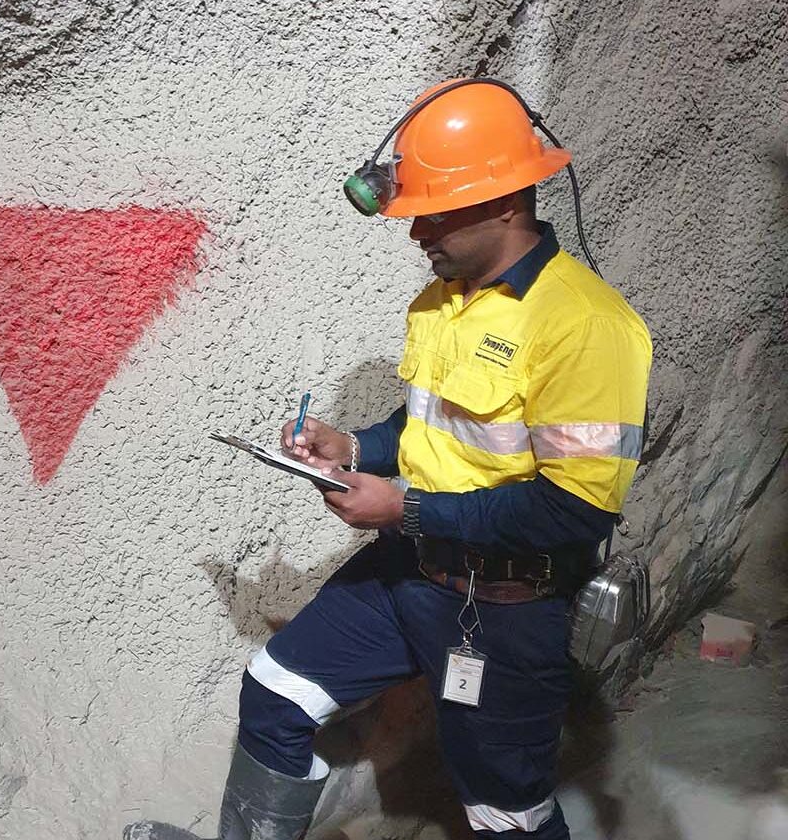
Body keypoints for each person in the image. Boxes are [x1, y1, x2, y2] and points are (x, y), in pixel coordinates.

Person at [125, 79, 652, 840]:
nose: (416, 235)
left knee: (504, 808)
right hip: (407, 571)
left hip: (502, 609)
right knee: (275, 689)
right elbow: (427, 422)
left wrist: (399, 506)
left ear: (507, 202)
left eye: (432, 213)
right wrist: (355, 446)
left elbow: (575, 510)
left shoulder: (588, 326)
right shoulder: (443, 300)